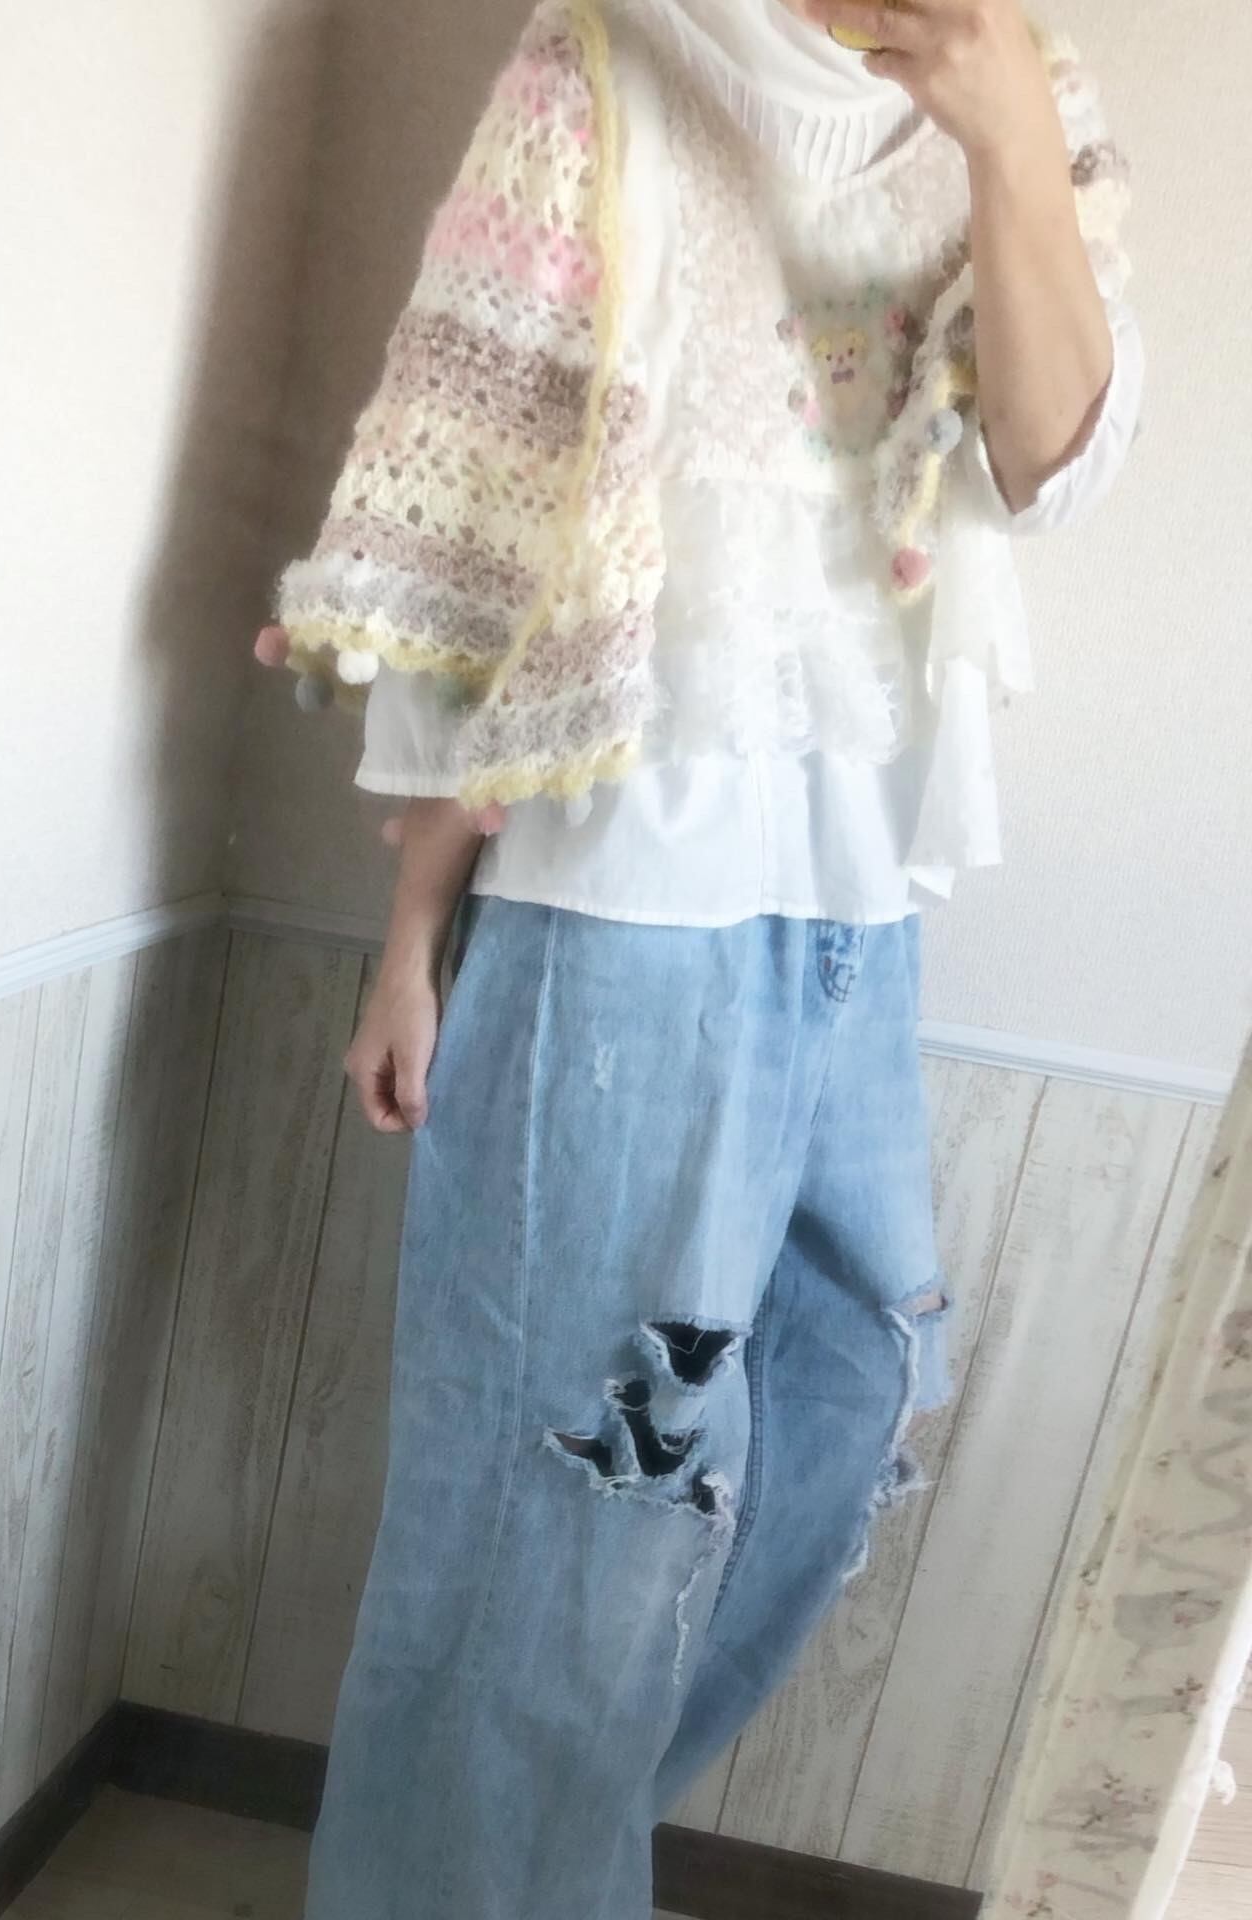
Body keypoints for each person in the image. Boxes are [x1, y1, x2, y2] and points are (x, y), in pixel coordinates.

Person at [254, 3, 1141, 1914]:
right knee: (554, 1517)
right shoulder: (613, 57)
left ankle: (534, 1858)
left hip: (852, 908)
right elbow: (482, 528)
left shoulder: (1018, 88)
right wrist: (414, 936)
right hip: (615, 906)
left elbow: (1055, 464)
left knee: (841, 1394)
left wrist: (1004, 137)